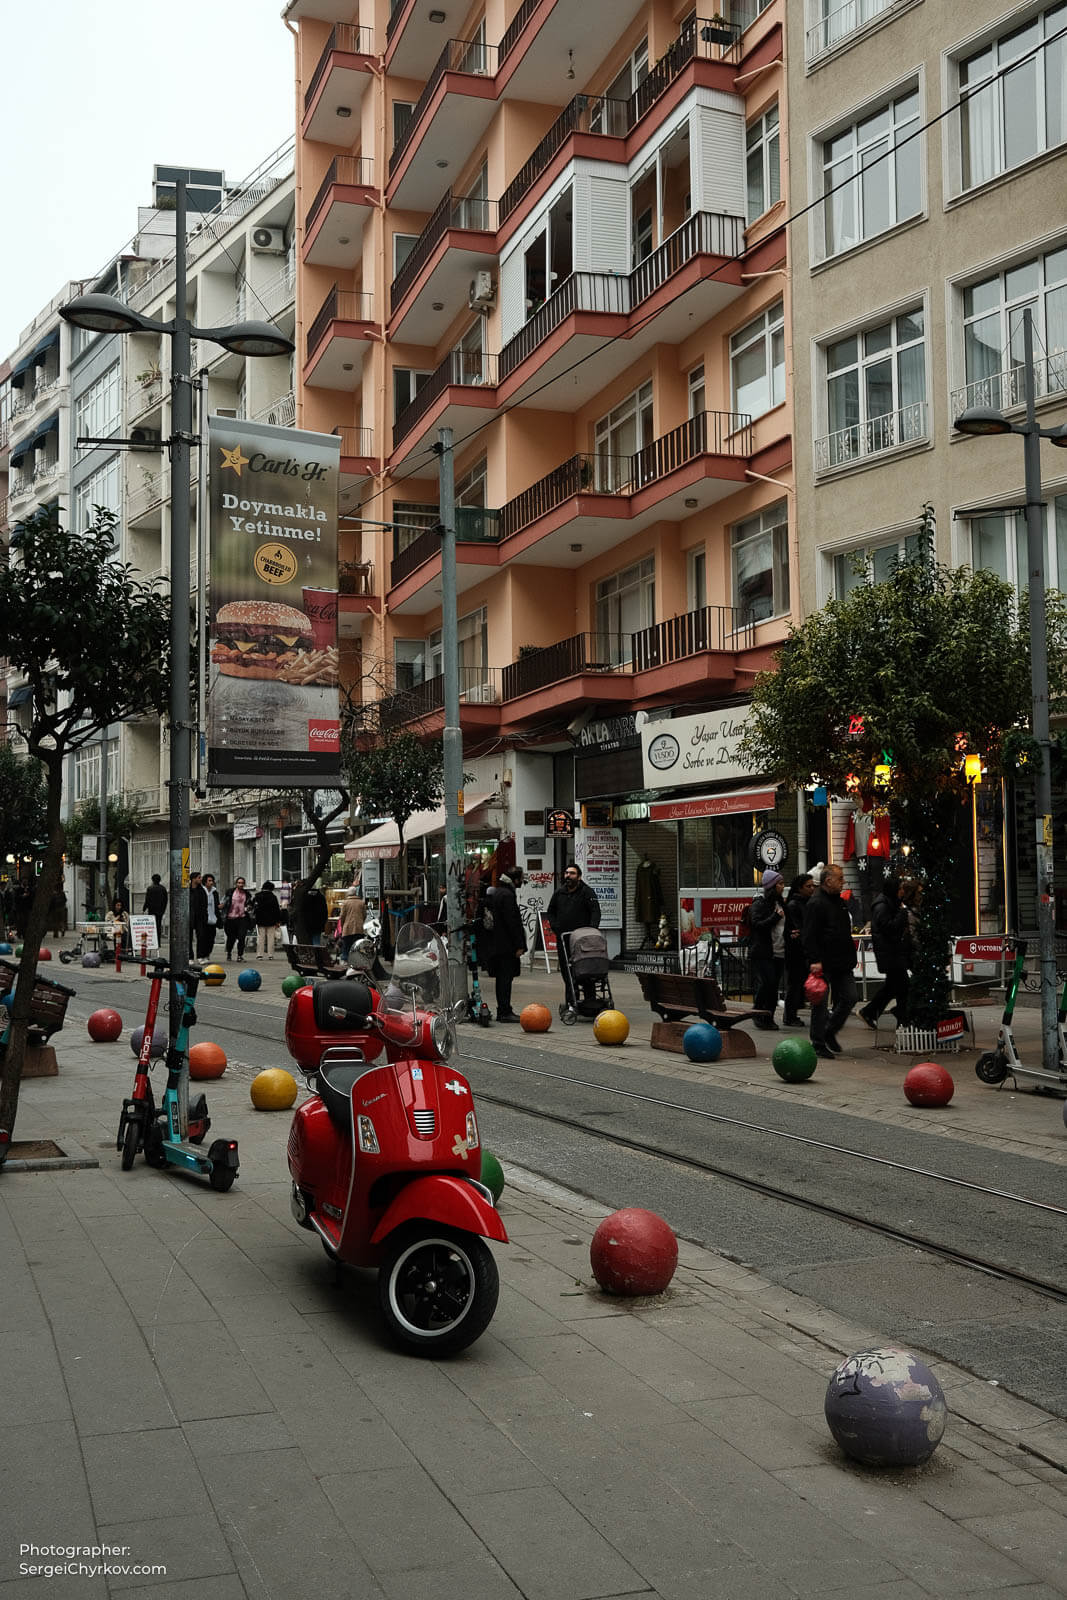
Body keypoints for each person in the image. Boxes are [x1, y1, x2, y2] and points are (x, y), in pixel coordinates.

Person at [802, 861, 858, 1060]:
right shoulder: (816, 903)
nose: (844, 882)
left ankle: (830, 1030)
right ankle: (818, 1042)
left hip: (842, 960)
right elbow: (809, 935)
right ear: (828, 881)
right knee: (820, 1004)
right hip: (824, 961)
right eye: (840, 879)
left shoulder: (839, 902)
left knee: (850, 997)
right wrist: (815, 959)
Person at [860, 872, 911, 1029]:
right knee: (903, 987)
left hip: (893, 952)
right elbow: (888, 927)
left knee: (892, 987)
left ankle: (870, 1011)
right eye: (901, 888)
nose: (903, 891)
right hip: (890, 953)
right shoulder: (882, 905)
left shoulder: (891, 902)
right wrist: (903, 914)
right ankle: (903, 1018)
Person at [547, 862, 601, 1005]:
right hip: (564, 939)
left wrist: (592, 930)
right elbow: (550, 911)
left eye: (572, 873)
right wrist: (555, 926)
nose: (568, 876)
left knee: (586, 970)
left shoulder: (587, 892)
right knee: (567, 971)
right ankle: (571, 1001)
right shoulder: (559, 892)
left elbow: (595, 912)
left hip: (583, 940)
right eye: (567, 873)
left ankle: (590, 1001)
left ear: (579, 876)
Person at [481, 870, 527, 1022]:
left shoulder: (497, 893)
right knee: (505, 979)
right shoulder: (507, 895)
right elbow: (512, 922)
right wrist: (520, 944)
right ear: (514, 880)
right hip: (506, 945)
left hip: (496, 944)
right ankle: (504, 1011)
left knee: (502, 978)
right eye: (521, 878)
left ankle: (503, 1009)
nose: (522, 881)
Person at [748, 869, 785, 1029]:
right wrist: (775, 917)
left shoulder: (780, 903)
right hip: (763, 952)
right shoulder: (759, 904)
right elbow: (757, 925)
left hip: (779, 951)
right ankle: (758, 1012)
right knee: (767, 984)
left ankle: (768, 1017)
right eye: (780, 884)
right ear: (772, 886)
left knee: (773, 986)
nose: (783, 887)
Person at [782, 873, 815, 1026]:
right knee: (795, 983)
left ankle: (793, 1012)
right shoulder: (795, 905)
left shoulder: (806, 903)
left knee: (798, 983)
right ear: (799, 888)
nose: (812, 889)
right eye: (808, 886)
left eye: (812, 885)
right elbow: (797, 930)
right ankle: (790, 1015)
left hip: (802, 950)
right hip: (796, 952)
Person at [252, 881, 283, 960]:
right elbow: (276, 910)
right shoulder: (273, 897)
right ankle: (270, 955)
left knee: (261, 937)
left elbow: (253, 906)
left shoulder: (257, 896)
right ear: (271, 888)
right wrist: (278, 920)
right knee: (271, 938)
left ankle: (259, 955)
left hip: (260, 920)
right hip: (271, 920)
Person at [222, 877, 249, 961]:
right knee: (231, 937)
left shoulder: (247, 894)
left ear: (244, 884)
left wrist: (249, 907)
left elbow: (249, 903)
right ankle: (229, 952)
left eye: (242, 883)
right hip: (231, 918)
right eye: (239, 883)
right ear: (236, 884)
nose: (240, 884)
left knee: (242, 937)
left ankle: (240, 955)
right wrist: (222, 906)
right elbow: (224, 901)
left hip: (242, 918)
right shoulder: (230, 892)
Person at [338, 887, 366, 962]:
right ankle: (357, 961)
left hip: (347, 929)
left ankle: (346, 961)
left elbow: (342, 916)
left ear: (348, 893)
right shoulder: (361, 902)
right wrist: (360, 922)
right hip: (359, 929)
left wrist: (342, 925)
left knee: (346, 946)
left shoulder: (345, 903)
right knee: (357, 946)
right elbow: (364, 915)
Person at [201, 873, 222, 959]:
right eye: (209, 881)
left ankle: (208, 953)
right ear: (205, 882)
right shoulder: (202, 891)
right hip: (203, 919)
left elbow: (217, 905)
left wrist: (219, 907)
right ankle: (202, 954)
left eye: (212, 880)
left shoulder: (215, 892)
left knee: (211, 938)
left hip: (213, 919)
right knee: (203, 938)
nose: (211, 882)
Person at [142, 873, 168, 945]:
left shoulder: (150, 888)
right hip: (160, 910)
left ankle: (153, 941)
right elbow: (165, 900)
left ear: (152, 880)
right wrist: (163, 910)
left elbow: (147, 900)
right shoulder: (163, 889)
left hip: (152, 910)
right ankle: (158, 942)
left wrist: (144, 908)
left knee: (152, 926)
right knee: (158, 926)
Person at [188, 871, 208, 960]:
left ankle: (200, 956)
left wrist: (204, 916)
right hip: (189, 917)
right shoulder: (187, 890)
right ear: (193, 879)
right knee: (188, 938)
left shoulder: (202, 890)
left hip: (200, 917)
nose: (201, 879)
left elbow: (205, 904)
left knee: (201, 937)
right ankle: (190, 957)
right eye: (199, 877)